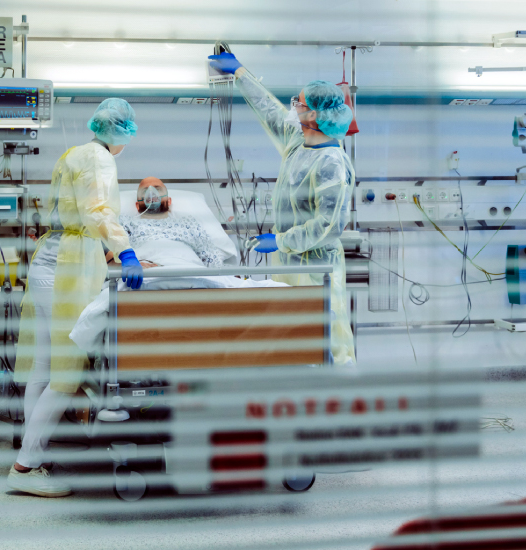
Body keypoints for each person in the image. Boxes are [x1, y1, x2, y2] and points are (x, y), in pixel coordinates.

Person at [9, 99, 144, 497]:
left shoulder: (75, 152)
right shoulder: (100, 159)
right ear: (123, 132)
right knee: (65, 374)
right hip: (66, 265)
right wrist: (125, 250)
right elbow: (99, 210)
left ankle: (32, 452)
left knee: (45, 367)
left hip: (51, 258)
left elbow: (71, 211)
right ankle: (24, 466)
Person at [208, 52, 357, 366]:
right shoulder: (298, 140)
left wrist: (280, 240)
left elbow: (328, 227)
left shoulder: (331, 162)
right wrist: (240, 73)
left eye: (299, 104)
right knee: (288, 336)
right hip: (289, 262)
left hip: (316, 269)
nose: (293, 108)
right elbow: (269, 112)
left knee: (324, 339)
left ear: (315, 115)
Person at [107, 177, 225, 268]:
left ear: (169, 201)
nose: (151, 193)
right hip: (147, 272)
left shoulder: (188, 223)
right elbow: (109, 257)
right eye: (145, 191)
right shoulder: (126, 223)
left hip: (189, 269)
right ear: (137, 205)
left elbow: (212, 259)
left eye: (157, 189)